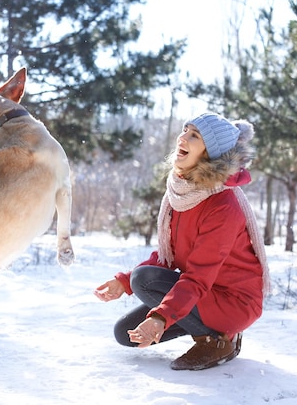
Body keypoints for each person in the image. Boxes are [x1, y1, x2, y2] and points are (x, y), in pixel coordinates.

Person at [94, 112, 270, 371]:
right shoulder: (184, 193)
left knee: (145, 280)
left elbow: (198, 275)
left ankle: (220, 340)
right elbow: (170, 255)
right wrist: (123, 282)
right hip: (205, 293)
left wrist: (160, 317)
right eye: (185, 130)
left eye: (194, 136)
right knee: (126, 332)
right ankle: (209, 327)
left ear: (209, 153)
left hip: (233, 301)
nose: (182, 138)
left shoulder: (222, 205)